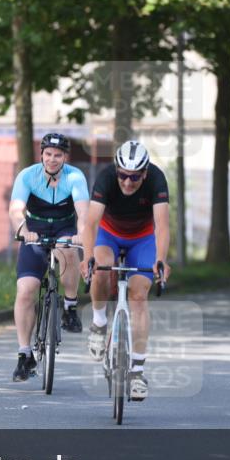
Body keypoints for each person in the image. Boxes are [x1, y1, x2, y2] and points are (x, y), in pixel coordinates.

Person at [82, 140, 171, 401]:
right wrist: (87, 256)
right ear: (117, 170)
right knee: (99, 270)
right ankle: (99, 323)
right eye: (123, 175)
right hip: (109, 234)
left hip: (143, 238)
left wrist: (161, 259)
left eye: (134, 177)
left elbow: (163, 226)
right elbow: (91, 223)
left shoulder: (156, 179)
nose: (128, 182)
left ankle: (137, 372)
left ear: (145, 173)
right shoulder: (107, 178)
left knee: (139, 296)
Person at [8, 133, 89, 382]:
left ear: (65, 157)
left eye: (58, 155)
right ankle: (24, 354)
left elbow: (83, 215)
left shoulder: (75, 177)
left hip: (65, 229)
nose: (52, 159)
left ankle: (70, 307)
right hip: (35, 231)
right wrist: (24, 231)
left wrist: (82, 235)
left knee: (68, 251)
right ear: (41, 154)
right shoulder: (27, 176)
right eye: (48, 154)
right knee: (26, 290)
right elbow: (15, 210)